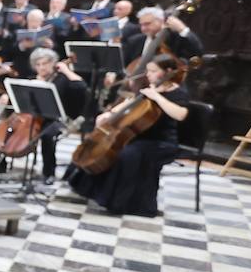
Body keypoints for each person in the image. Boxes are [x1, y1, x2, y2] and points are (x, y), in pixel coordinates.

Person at [65, 53, 189, 216]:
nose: (148, 75)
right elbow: (130, 103)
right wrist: (109, 114)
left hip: (161, 141)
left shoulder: (178, 92)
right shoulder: (149, 88)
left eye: (153, 71)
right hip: (139, 136)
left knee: (126, 154)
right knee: (103, 146)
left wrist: (157, 97)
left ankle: (121, 203)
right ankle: (91, 191)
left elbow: (181, 114)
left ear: (168, 71)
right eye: (148, 71)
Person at [0, 48, 87, 183]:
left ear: (53, 63)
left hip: (55, 118)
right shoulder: (32, 78)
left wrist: (66, 70)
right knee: (7, 127)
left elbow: (81, 87)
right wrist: (8, 96)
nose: (41, 67)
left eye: (45, 64)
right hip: (30, 117)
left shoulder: (62, 79)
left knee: (47, 135)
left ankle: (48, 173)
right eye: (38, 64)